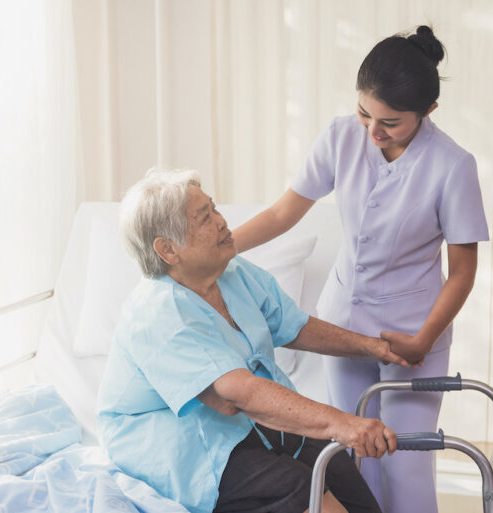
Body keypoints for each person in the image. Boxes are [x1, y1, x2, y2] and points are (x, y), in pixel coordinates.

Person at [231, 26, 490, 513]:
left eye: (391, 122)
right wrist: (223, 248)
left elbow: (462, 272)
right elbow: (283, 214)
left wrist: (424, 341)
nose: (373, 131)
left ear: (427, 112)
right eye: (364, 113)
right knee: (355, 457)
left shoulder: (453, 166)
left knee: (406, 460)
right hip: (344, 328)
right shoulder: (339, 137)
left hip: (415, 333)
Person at [97, 168, 411, 513]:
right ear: (168, 250)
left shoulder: (232, 273)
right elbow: (237, 394)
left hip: (242, 422)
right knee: (298, 487)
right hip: (177, 442)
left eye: (215, 209)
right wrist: (342, 422)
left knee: (333, 462)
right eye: (204, 218)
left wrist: (376, 348)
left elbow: (295, 326)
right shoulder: (158, 312)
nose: (221, 222)